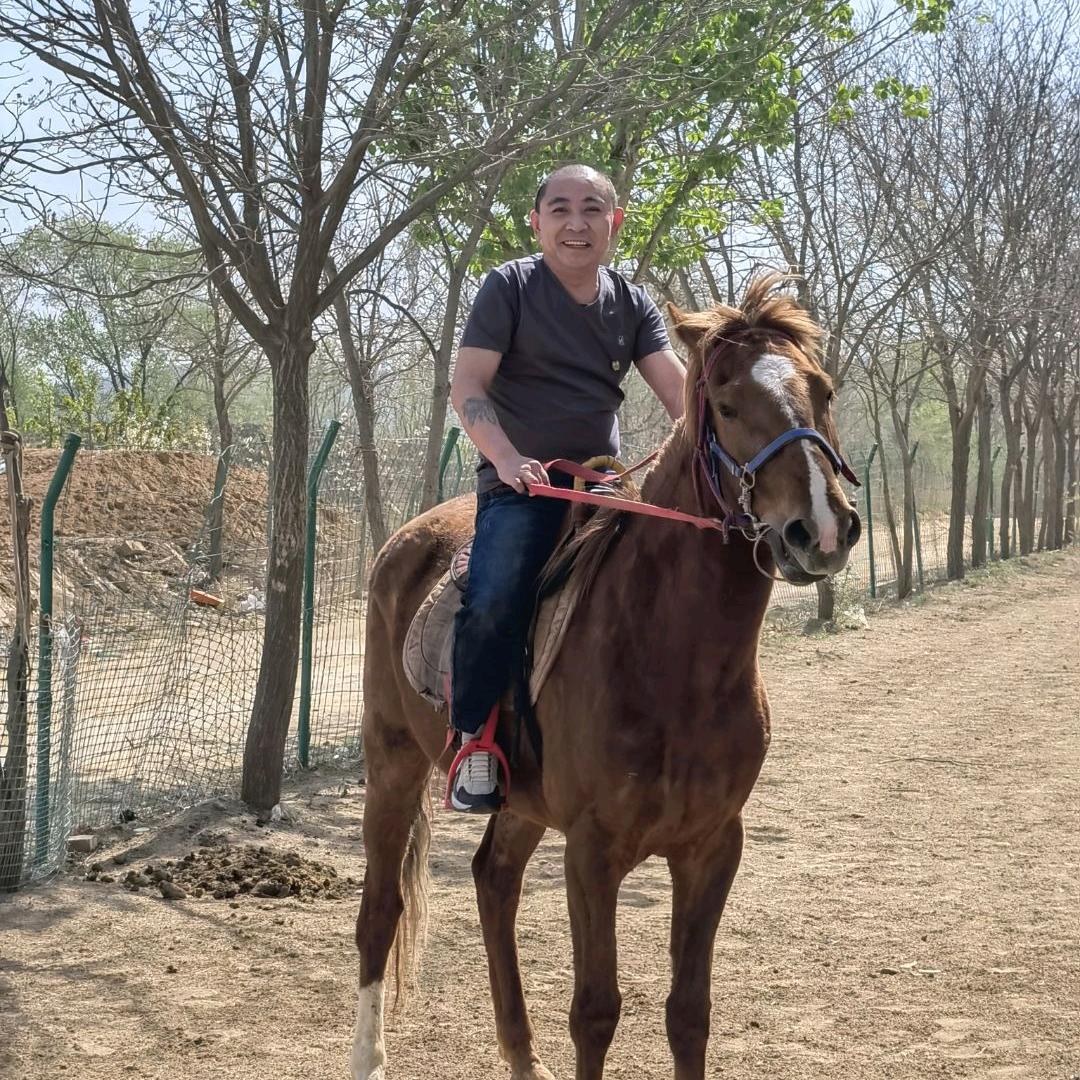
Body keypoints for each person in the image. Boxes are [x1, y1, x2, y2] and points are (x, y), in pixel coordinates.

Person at [447, 163, 686, 812]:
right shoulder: (510, 288)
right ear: (537, 221)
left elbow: (680, 397)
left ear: (615, 222)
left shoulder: (632, 304)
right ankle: (474, 738)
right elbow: (467, 387)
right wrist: (506, 457)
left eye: (591, 209)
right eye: (560, 209)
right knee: (495, 598)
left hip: (603, 487)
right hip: (521, 486)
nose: (575, 223)